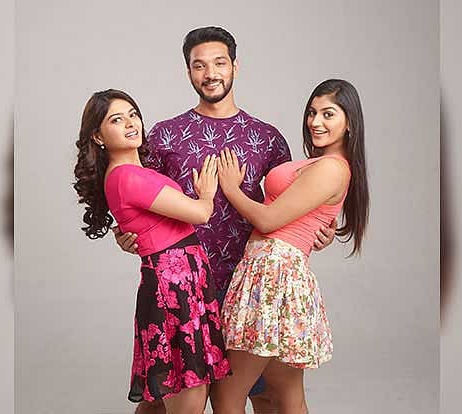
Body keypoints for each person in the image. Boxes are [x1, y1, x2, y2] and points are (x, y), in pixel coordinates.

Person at [113, 27, 337, 414]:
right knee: (161, 402)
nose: (210, 73)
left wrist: (322, 230)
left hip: (249, 287)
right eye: (199, 65)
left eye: (219, 63)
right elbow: (136, 196)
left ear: (235, 66)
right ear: (188, 72)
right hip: (184, 289)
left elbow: (291, 204)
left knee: (263, 396)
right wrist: (125, 233)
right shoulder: (164, 136)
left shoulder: (267, 138)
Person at [211, 79, 370, 414]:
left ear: (350, 123)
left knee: (227, 394)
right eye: (312, 112)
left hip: (273, 275)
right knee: (286, 396)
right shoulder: (319, 163)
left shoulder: (332, 168)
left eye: (328, 114)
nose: (316, 122)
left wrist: (231, 189)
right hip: (271, 273)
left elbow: (269, 220)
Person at [73, 89, 231, 414]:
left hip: (181, 284)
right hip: (173, 290)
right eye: (117, 120)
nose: (131, 123)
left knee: (161, 401)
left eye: (133, 114)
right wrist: (206, 194)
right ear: (98, 136)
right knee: (188, 399)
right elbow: (200, 213)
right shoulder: (127, 176)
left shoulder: (135, 172)